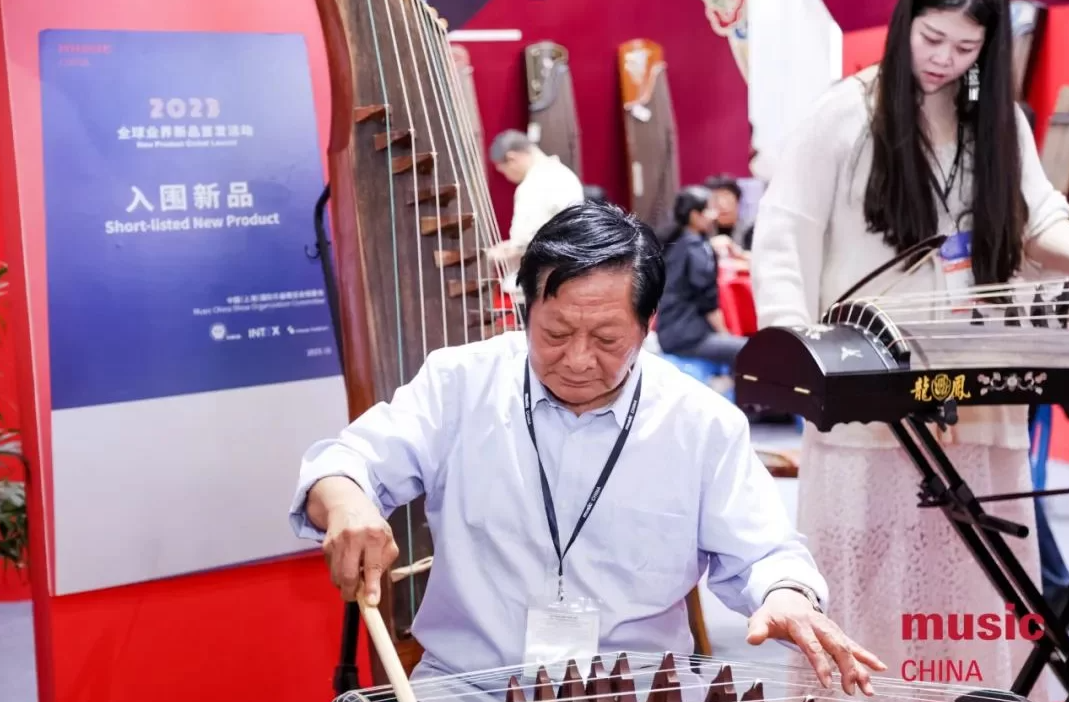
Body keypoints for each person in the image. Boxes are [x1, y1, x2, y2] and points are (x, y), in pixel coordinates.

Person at [290, 201, 887, 697]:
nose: (577, 360)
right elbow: (344, 464)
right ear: (525, 311)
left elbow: (764, 553)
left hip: (635, 689)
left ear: (648, 325)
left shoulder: (700, 423)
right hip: (471, 686)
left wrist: (787, 596)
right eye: (554, 333)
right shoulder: (460, 385)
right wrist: (346, 502)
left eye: (606, 338)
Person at [749, 0, 1069, 693]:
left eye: (965, 47)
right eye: (932, 37)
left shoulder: (997, 123)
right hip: (867, 394)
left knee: (976, 575)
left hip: (973, 388)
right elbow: (782, 237)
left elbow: (1040, 218)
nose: (944, 59)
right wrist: (797, 355)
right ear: (904, 26)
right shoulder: (843, 113)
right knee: (869, 573)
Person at [485, 129, 585, 302]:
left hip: (543, 286)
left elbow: (524, 244)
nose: (507, 177)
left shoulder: (534, 185)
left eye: (504, 171)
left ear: (512, 158)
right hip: (567, 276)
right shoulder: (563, 174)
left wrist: (492, 255)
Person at [655, 185, 748, 368]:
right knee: (748, 350)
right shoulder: (695, 249)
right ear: (694, 215)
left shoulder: (677, 242)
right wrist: (724, 334)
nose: (714, 215)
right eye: (709, 209)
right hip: (687, 337)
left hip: (670, 332)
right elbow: (707, 301)